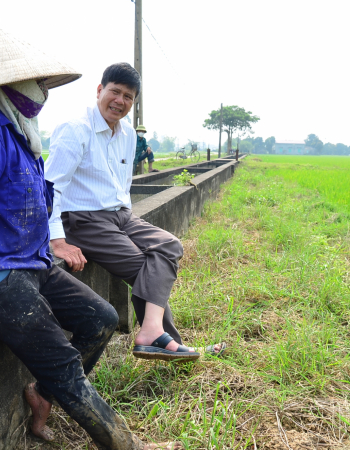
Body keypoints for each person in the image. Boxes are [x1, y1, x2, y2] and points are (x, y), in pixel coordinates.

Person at [0, 29, 180, 450]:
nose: (44, 92)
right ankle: (128, 444)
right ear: (8, 84)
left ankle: (43, 394)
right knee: (63, 364)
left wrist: (48, 250)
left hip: (29, 264)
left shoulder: (18, 130)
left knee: (102, 319)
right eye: (38, 83)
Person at [45, 63, 225, 362]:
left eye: (128, 96)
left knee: (169, 245)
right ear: (99, 90)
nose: (120, 101)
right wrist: (57, 241)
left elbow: (121, 182)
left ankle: (153, 333)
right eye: (114, 92)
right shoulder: (75, 129)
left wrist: (126, 215)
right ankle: (163, 340)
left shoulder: (128, 133)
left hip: (120, 214)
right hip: (84, 219)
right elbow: (50, 187)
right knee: (146, 267)